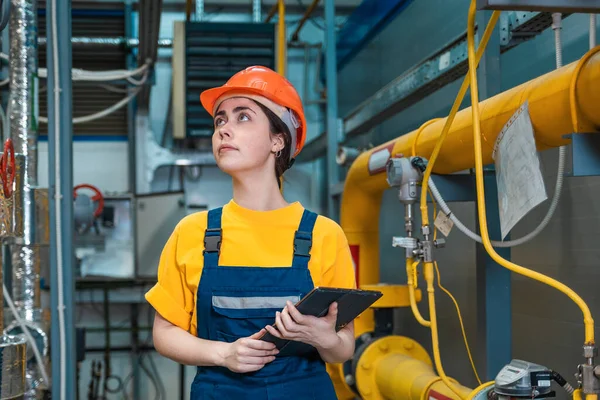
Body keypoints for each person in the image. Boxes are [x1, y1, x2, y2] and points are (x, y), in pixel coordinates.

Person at [145, 65, 357, 399]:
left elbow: (343, 348)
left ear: (278, 139)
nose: (224, 130)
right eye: (220, 120)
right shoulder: (194, 233)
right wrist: (224, 354)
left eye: (242, 117)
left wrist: (324, 338)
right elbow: (164, 333)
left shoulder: (324, 235)